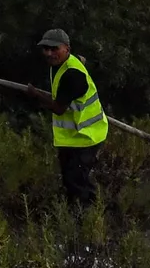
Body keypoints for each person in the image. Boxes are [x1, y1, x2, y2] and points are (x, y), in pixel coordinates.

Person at [35, 28, 108, 206]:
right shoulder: (63, 64)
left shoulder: (73, 74)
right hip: (72, 138)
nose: (49, 53)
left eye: (54, 49)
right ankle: (75, 215)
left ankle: (87, 222)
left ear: (66, 49)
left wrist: (34, 94)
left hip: (86, 137)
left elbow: (59, 108)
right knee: (70, 181)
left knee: (79, 183)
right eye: (46, 49)